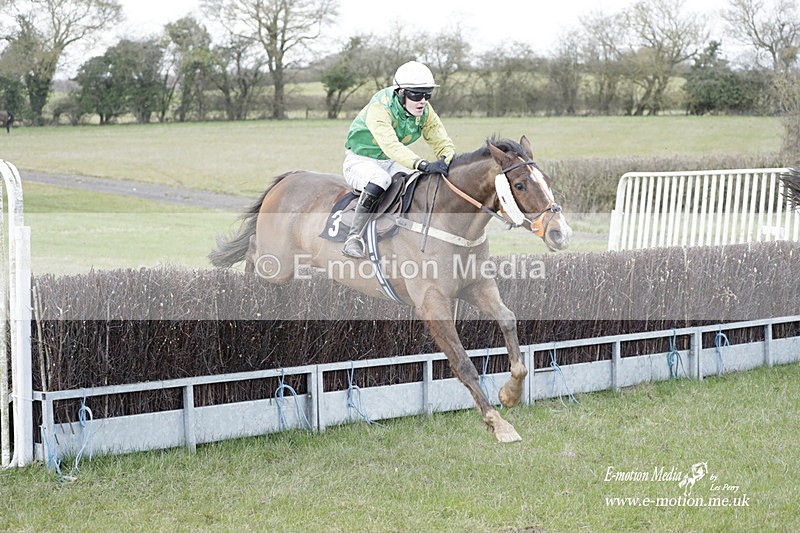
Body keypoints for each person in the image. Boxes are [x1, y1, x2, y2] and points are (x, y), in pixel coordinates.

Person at [341, 60, 456, 258]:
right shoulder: (380, 108)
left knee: (418, 181)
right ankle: (353, 238)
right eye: (417, 94)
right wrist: (422, 164)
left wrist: (448, 160)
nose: (423, 100)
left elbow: (441, 139)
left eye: (428, 94)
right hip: (360, 161)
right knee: (380, 180)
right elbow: (391, 146)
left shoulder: (425, 111)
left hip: (389, 161)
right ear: (401, 93)